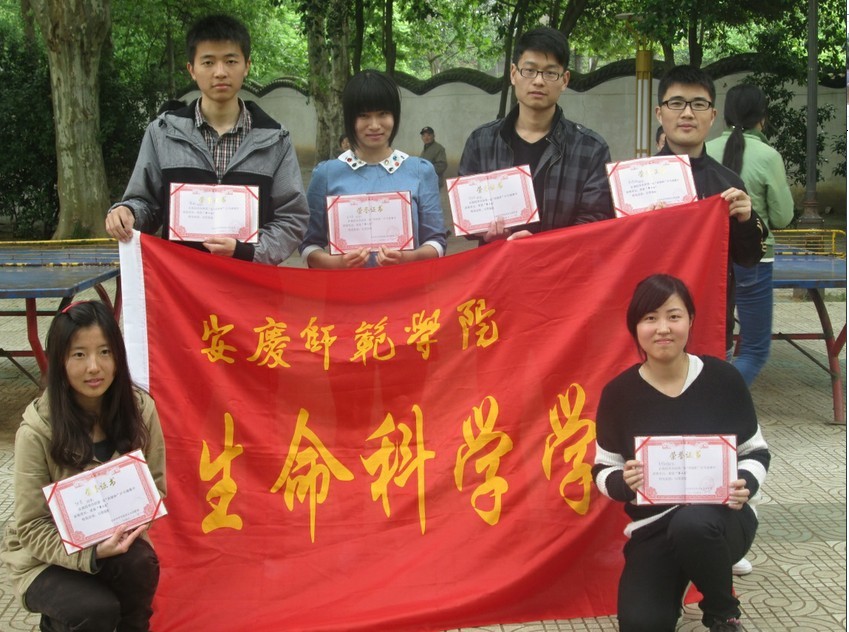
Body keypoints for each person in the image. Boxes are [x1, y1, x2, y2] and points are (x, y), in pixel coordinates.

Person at [593, 274, 770, 632]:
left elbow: (755, 450)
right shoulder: (619, 393)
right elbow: (603, 467)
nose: (663, 328)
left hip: (721, 522)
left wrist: (745, 482)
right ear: (635, 327)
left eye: (673, 316)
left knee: (693, 525)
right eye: (650, 318)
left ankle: (722, 612)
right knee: (642, 624)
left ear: (690, 320)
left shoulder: (723, 379)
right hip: (654, 527)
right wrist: (624, 482)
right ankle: (676, 584)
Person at [0, 301, 166, 632]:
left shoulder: (140, 410)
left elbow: (156, 486)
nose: (94, 367)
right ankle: (57, 622)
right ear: (59, 361)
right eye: (79, 354)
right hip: (44, 556)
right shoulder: (37, 430)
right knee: (94, 610)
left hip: (112, 540)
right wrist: (91, 554)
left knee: (141, 565)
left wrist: (130, 523)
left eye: (105, 352)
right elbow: (31, 527)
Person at [105, 14, 309, 266]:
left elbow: (292, 218)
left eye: (231, 61)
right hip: (181, 279)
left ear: (246, 66)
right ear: (192, 69)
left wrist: (247, 250)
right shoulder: (162, 133)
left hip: (249, 280)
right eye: (208, 62)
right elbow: (146, 204)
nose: (220, 72)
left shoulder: (275, 139)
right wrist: (128, 212)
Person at [457, 26, 613, 243]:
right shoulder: (481, 141)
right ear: (513, 74)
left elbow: (596, 222)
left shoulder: (591, 149)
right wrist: (483, 231)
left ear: (565, 80)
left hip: (561, 263)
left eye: (550, 73)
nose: (539, 81)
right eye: (529, 70)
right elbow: (467, 218)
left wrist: (538, 245)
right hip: (499, 262)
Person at [654, 65, 767, 354]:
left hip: (711, 329)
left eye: (699, 104)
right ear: (659, 113)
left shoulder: (729, 184)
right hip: (649, 330)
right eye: (676, 103)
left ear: (713, 115)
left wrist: (746, 219)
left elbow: (749, 258)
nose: (687, 113)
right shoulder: (634, 183)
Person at [299, 70, 447, 268]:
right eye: (363, 115)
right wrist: (337, 263)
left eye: (383, 113)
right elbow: (308, 244)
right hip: (347, 287)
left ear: (395, 115)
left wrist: (407, 258)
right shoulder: (326, 174)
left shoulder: (420, 171)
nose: (375, 125)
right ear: (350, 119)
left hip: (407, 285)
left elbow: (437, 242)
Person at [706, 84, 795, 386]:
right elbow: (782, 217)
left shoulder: (705, 151)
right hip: (756, 260)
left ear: (722, 116)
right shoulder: (768, 156)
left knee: (712, 343)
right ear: (762, 118)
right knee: (754, 350)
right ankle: (720, 400)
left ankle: (711, 398)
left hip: (711, 259)